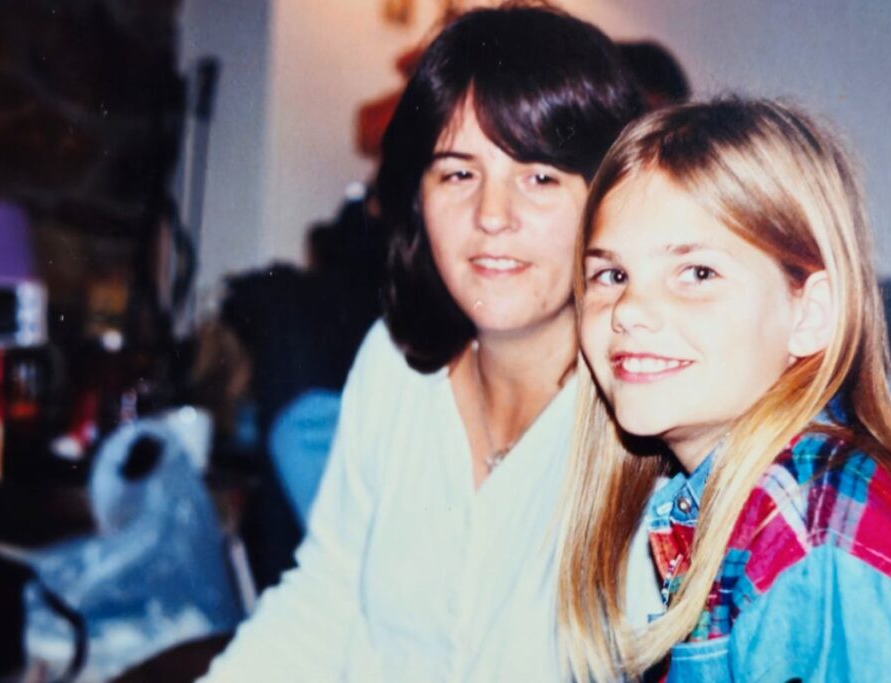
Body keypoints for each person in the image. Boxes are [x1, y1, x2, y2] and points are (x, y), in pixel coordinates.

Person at [202, 5, 648, 682]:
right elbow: (328, 595)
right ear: (417, 197)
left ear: (606, 201)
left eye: (539, 176)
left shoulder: (647, 416)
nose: (491, 216)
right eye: (457, 172)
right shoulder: (393, 360)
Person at [557, 99, 891, 682]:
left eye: (697, 273)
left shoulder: (817, 534)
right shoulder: (736, 507)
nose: (630, 310)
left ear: (810, 313)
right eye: (612, 275)